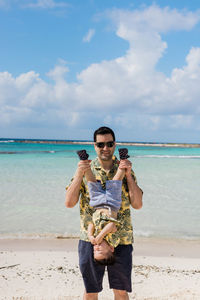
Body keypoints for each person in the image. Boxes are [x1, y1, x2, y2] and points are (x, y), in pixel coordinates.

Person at [65, 126, 143, 300]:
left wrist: (128, 175)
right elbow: (69, 203)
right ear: (95, 146)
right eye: (101, 145)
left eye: (109, 144)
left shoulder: (124, 168)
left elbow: (137, 204)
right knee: (90, 291)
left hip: (121, 240)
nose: (105, 148)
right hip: (90, 241)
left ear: (114, 145)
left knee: (121, 291)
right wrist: (79, 174)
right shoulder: (86, 169)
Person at [77, 148, 129, 265]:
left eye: (95, 251)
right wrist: (101, 235)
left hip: (97, 204)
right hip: (112, 203)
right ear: (110, 249)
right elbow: (111, 225)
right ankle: (123, 159)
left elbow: (90, 224)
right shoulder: (113, 241)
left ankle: (84, 161)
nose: (97, 248)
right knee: (117, 181)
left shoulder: (94, 239)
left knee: (91, 182)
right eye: (100, 251)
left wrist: (91, 235)